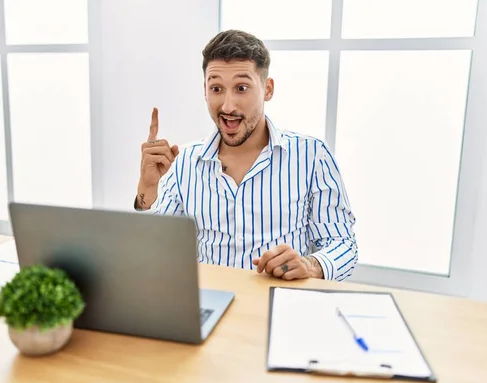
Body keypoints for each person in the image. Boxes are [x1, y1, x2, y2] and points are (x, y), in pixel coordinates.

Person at [134, 30, 358, 281]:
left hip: (279, 307)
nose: (228, 106)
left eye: (242, 88)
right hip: (208, 308)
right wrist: (149, 186)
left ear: (267, 89)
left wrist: (311, 265)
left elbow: (344, 245)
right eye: (216, 88)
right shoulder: (185, 160)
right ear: (205, 91)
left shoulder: (312, 155)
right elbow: (155, 248)